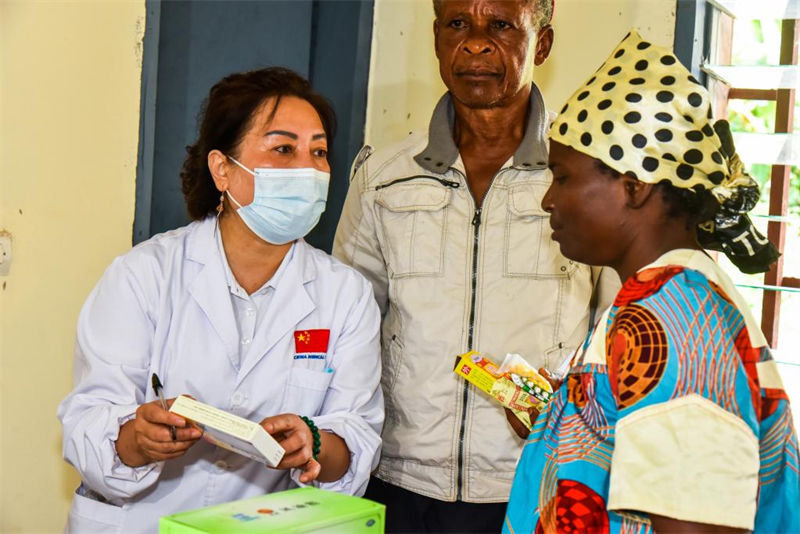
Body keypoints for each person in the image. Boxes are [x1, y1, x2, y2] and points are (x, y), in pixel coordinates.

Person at [57, 67, 384, 534]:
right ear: (223, 169)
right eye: (283, 149)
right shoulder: (144, 274)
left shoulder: (345, 294)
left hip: (265, 525)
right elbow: (87, 425)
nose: (308, 170)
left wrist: (314, 444)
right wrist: (139, 438)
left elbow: (356, 437)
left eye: (319, 152)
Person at [334, 1, 616, 531]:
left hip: (537, 480)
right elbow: (347, 329)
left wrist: (569, 403)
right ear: (436, 37)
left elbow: (617, 331)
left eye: (501, 26)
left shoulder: (587, 178)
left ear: (543, 43)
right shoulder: (382, 178)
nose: (476, 43)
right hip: (398, 480)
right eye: (458, 24)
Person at [504, 30, 799, 533]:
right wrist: (564, 418)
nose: (548, 199)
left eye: (563, 176)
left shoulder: (673, 322)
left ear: (634, 187)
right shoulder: (659, 300)